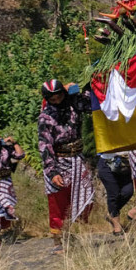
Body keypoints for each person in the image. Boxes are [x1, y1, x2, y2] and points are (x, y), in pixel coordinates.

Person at [38, 79, 95, 253]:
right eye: (52, 99)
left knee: (87, 194)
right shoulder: (45, 117)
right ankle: (58, 240)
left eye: (59, 96)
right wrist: (52, 171)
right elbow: (45, 145)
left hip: (78, 159)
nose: (57, 101)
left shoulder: (74, 104)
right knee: (58, 202)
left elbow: (90, 104)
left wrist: (80, 89)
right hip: (58, 162)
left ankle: (77, 232)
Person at [0, 129, 25, 242]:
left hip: (6, 182)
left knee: (7, 207)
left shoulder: (6, 149)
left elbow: (20, 155)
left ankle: (0, 232)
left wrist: (14, 143)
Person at [96, 151, 133, 236]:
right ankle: (117, 227)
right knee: (113, 194)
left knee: (128, 191)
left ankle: (111, 213)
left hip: (125, 162)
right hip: (106, 162)